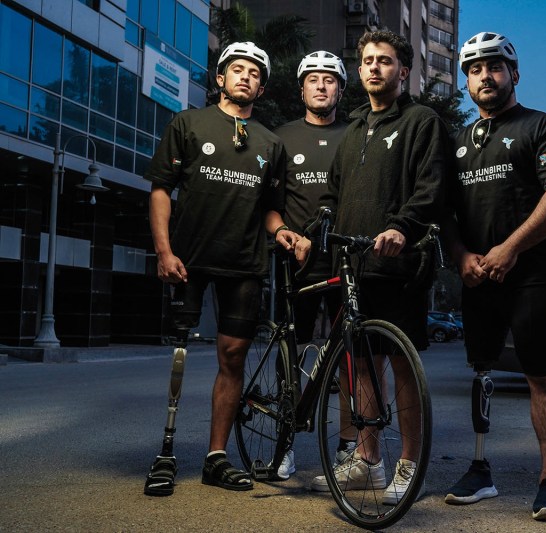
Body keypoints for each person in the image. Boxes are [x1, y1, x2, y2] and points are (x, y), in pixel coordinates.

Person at [296, 30, 450, 504]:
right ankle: (368, 463)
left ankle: (407, 463)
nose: (375, 68)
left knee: (402, 367)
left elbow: (432, 189)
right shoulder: (354, 130)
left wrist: (403, 227)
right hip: (354, 267)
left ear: (403, 71)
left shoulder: (422, 121)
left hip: (399, 265)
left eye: (385, 61)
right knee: (360, 366)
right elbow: (332, 195)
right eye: (367, 61)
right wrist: (308, 230)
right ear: (360, 71)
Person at [443, 32, 546, 521]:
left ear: (514, 73)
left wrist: (509, 249)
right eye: (475, 69)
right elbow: (447, 215)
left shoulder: (543, 128)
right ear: (466, 80)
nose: (485, 76)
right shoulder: (457, 142)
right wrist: (462, 255)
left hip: (534, 277)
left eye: (495, 67)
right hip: (478, 278)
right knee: (481, 369)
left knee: (541, 375)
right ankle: (480, 470)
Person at [143, 41, 291, 496]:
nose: (244, 76)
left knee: (233, 358)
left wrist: (283, 231)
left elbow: (270, 209)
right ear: (221, 79)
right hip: (190, 259)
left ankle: (216, 457)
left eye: (253, 73)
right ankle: (166, 453)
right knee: (181, 354)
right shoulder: (188, 123)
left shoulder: (271, 142)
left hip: (245, 265)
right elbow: (161, 190)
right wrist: (165, 253)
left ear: (261, 87)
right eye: (236, 70)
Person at [270, 50, 354, 480]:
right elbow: (268, 202)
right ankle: (284, 444)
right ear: (301, 88)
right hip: (297, 261)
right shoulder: (280, 137)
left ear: (341, 88)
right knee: (293, 351)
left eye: (330, 79)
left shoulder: (357, 133)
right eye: (313, 79)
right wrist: (285, 231)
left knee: (350, 355)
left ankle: (347, 448)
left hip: (346, 260)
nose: (322, 86)